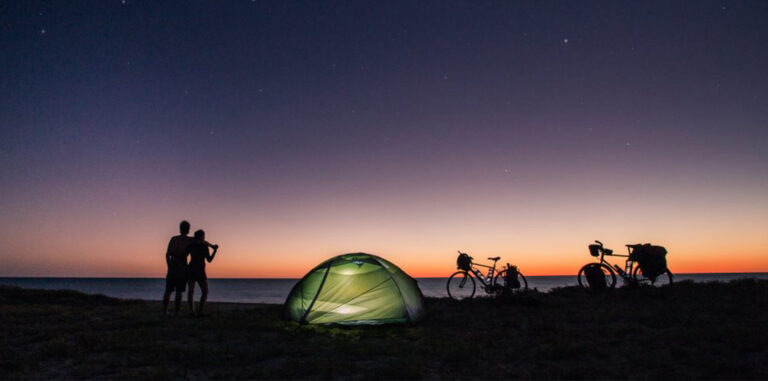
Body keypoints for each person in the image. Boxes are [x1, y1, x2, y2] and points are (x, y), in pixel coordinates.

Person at [163, 220, 193, 316]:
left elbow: (167, 255)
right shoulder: (189, 240)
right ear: (188, 229)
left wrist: (169, 265)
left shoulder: (174, 239)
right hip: (181, 267)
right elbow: (201, 241)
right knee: (178, 291)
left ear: (180, 229)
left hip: (174, 267)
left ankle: (166, 312)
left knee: (169, 291)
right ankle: (175, 312)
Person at [187, 229, 218, 316]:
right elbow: (209, 260)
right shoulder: (204, 246)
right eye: (204, 236)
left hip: (191, 269)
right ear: (201, 236)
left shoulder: (192, 245)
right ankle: (200, 311)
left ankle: (192, 311)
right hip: (200, 270)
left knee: (191, 292)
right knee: (205, 291)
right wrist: (215, 251)